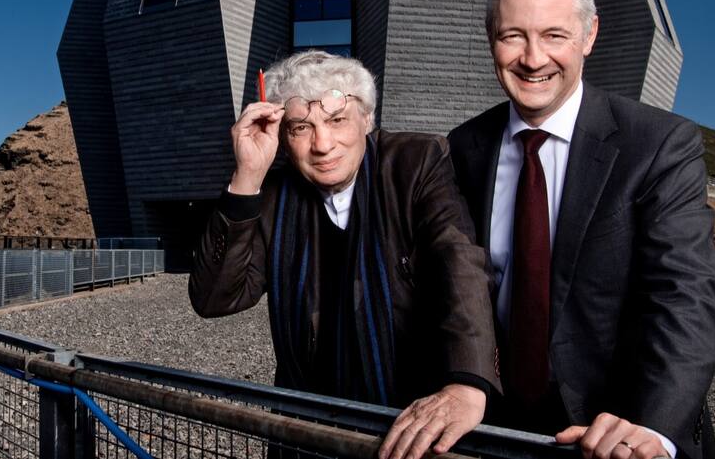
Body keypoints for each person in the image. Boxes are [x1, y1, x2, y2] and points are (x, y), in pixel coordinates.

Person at [446, 0, 715, 459]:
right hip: (501, 429)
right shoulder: (465, 147)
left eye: (555, 35)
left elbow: (684, 297)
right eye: (513, 35)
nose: (533, 58)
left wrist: (655, 427)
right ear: (491, 38)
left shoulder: (658, 144)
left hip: (616, 430)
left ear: (589, 36)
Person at [189, 50, 500, 459]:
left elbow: (459, 266)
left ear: (366, 119)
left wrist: (467, 382)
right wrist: (247, 176)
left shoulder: (416, 162)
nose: (323, 144)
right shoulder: (273, 197)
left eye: (337, 120)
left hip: (404, 423)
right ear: (284, 136)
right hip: (305, 431)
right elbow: (215, 299)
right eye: (302, 127)